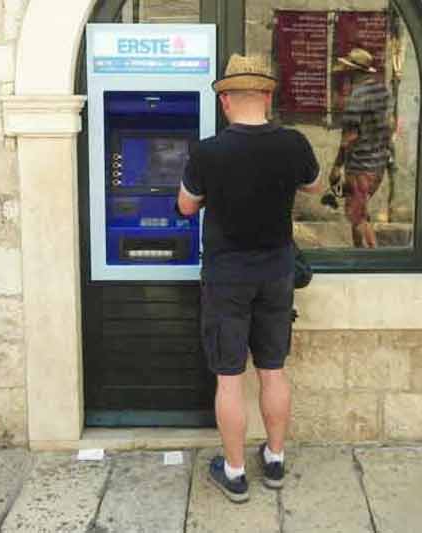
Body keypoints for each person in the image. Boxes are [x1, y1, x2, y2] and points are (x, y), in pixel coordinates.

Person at [176, 54, 321, 503]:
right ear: (268, 95)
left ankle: (235, 472)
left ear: (225, 101)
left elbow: (185, 205)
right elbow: (313, 185)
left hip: (226, 276)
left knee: (230, 377)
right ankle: (274, 460)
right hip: (276, 271)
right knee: (273, 370)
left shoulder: (208, 151)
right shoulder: (293, 144)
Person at [328, 48, 391, 248]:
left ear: (353, 71)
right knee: (359, 211)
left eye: (346, 70)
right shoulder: (382, 91)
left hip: (360, 165)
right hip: (378, 164)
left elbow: (350, 136)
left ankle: (373, 258)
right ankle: (358, 254)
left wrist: (337, 166)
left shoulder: (358, 96)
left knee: (356, 214)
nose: (344, 74)